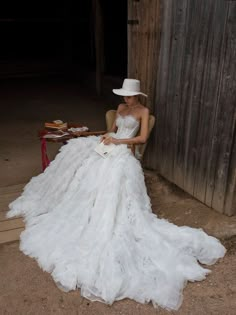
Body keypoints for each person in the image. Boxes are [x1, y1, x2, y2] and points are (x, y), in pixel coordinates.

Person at [6, 78, 226, 311]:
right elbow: (112, 130)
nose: (125, 100)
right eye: (124, 96)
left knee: (110, 172)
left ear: (138, 96)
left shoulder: (143, 111)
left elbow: (141, 139)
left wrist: (118, 140)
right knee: (79, 154)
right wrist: (107, 137)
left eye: (129, 96)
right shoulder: (120, 109)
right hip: (111, 144)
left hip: (124, 149)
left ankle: (101, 207)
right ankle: (79, 201)